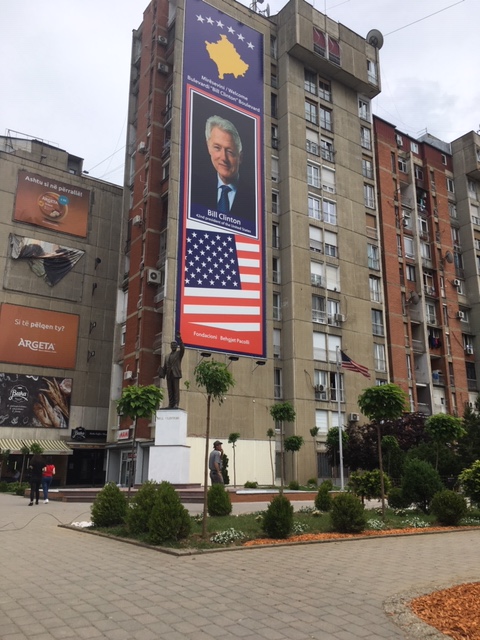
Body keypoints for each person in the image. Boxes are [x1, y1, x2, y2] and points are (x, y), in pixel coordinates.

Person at [190, 115, 256, 224]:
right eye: (217, 148)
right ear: (208, 147)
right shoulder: (195, 188)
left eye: (230, 151)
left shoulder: (254, 199)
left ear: (240, 157)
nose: (224, 158)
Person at [159, 333, 185, 409]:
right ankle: (170, 404)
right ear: (170, 346)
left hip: (176, 374)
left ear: (176, 346)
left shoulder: (179, 354)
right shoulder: (167, 356)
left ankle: (176, 404)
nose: (173, 346)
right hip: (169, 375)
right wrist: (162, 372)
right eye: (172, 345)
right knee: (170, 390)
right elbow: (165, 366)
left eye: (175, 345)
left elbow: (183, 349)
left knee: (176, 390)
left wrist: (180, 339)